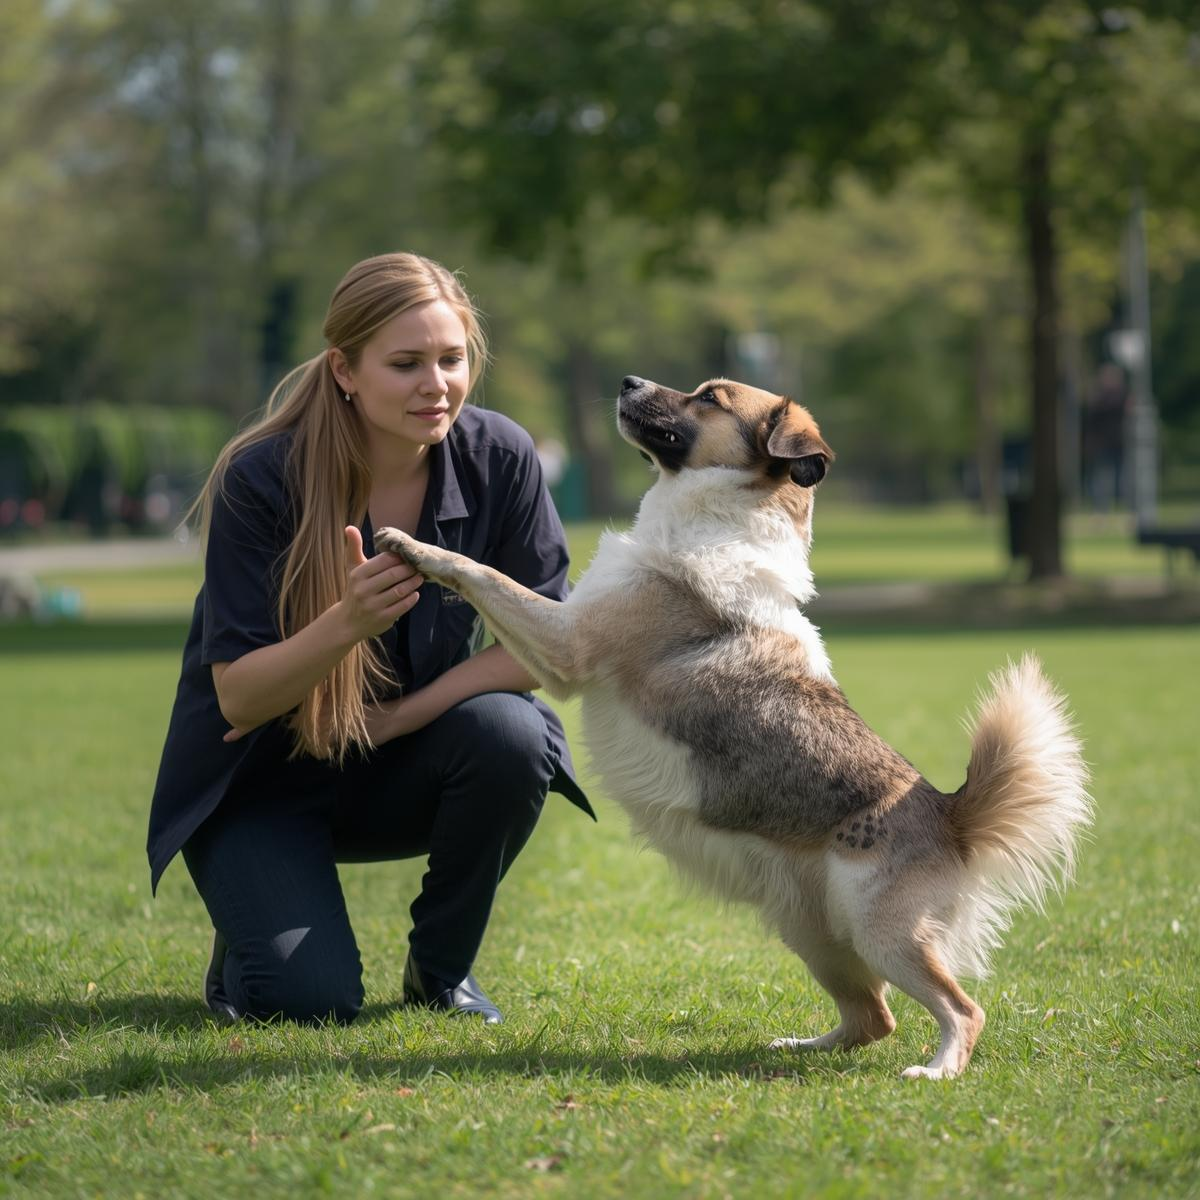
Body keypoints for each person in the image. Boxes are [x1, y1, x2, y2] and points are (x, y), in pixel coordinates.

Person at [147, 252, 593, 1026]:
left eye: (452, 359)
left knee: (515, 736)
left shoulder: (502, 459)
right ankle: (250, 935)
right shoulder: (261, 477)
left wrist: (403, 716)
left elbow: (553, 643)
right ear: (345, 370)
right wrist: (344, 626)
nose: (437, 384)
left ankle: (441, 972)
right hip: (257, 785)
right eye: (406, 363)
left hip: (395, 765)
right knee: (310, 1004)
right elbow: (240, 696)